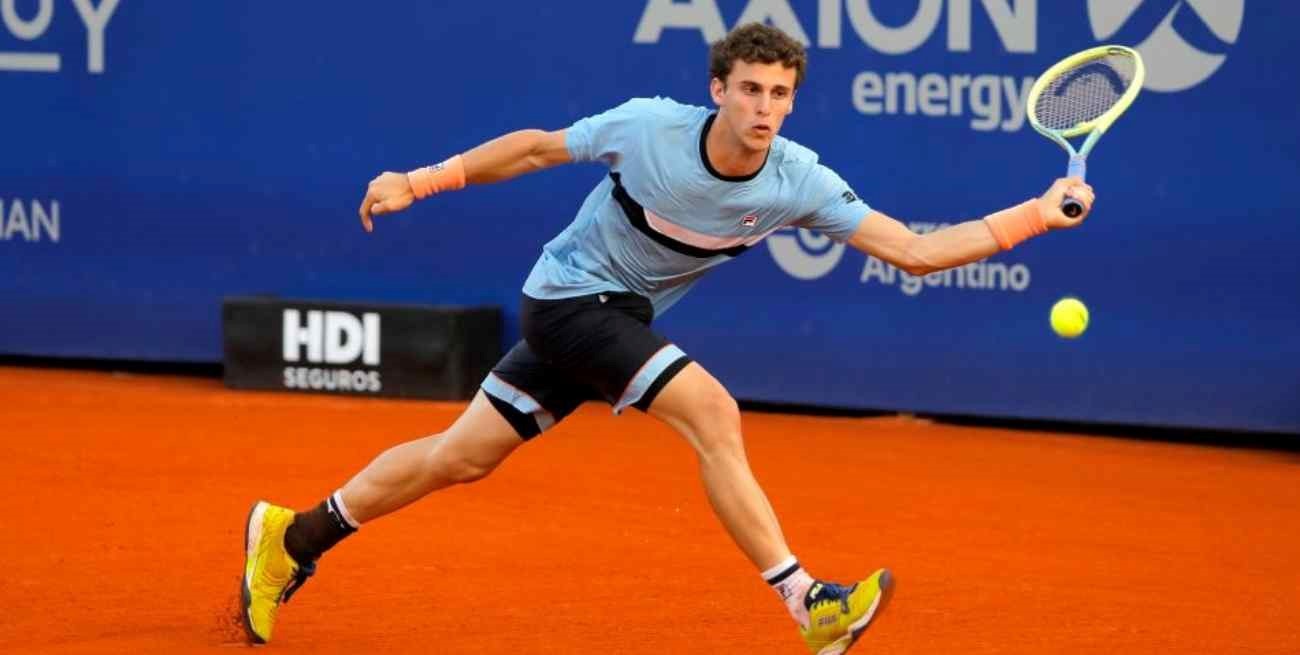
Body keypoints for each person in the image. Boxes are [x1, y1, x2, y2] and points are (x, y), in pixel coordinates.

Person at [240, 22, 1094, 654]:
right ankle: (809, 605)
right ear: (718, 88)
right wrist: (418, 181)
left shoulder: (799, 179)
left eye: (781, 93)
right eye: (751, 89)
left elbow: (913, 249)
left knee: (458, 458)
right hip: (568, 300)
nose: (766, 107)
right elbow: (536, 149)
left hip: (617, 319)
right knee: (712, 412)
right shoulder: (650, 128)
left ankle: (292, 537)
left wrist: (1033, 218)